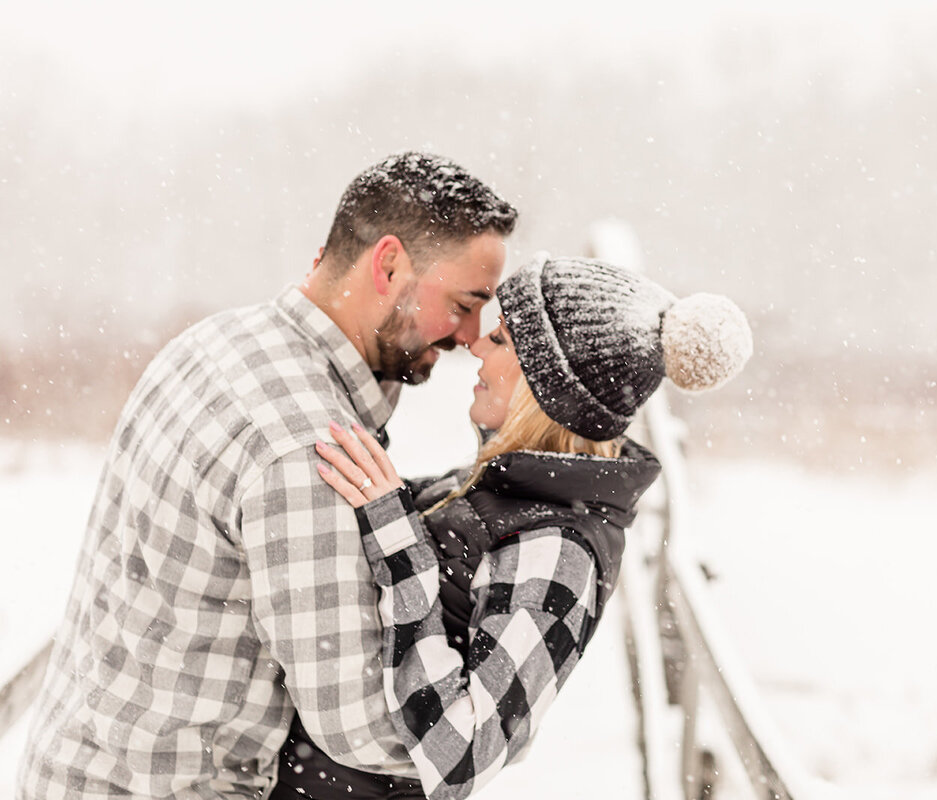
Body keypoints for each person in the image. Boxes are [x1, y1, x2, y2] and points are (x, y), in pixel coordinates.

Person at [18, 152, 518, 798]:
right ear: (389, 265)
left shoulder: (217, 344)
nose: (473, 336)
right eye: (465, 302)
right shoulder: (304, 446)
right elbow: (361, 724)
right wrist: (499, 713)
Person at [269, 255, 754, 800]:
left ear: (545, 389)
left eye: (500, 340)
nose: (474, 346)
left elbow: (463, 754)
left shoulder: (559, 551)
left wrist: (397, 540)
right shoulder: (501, 488)